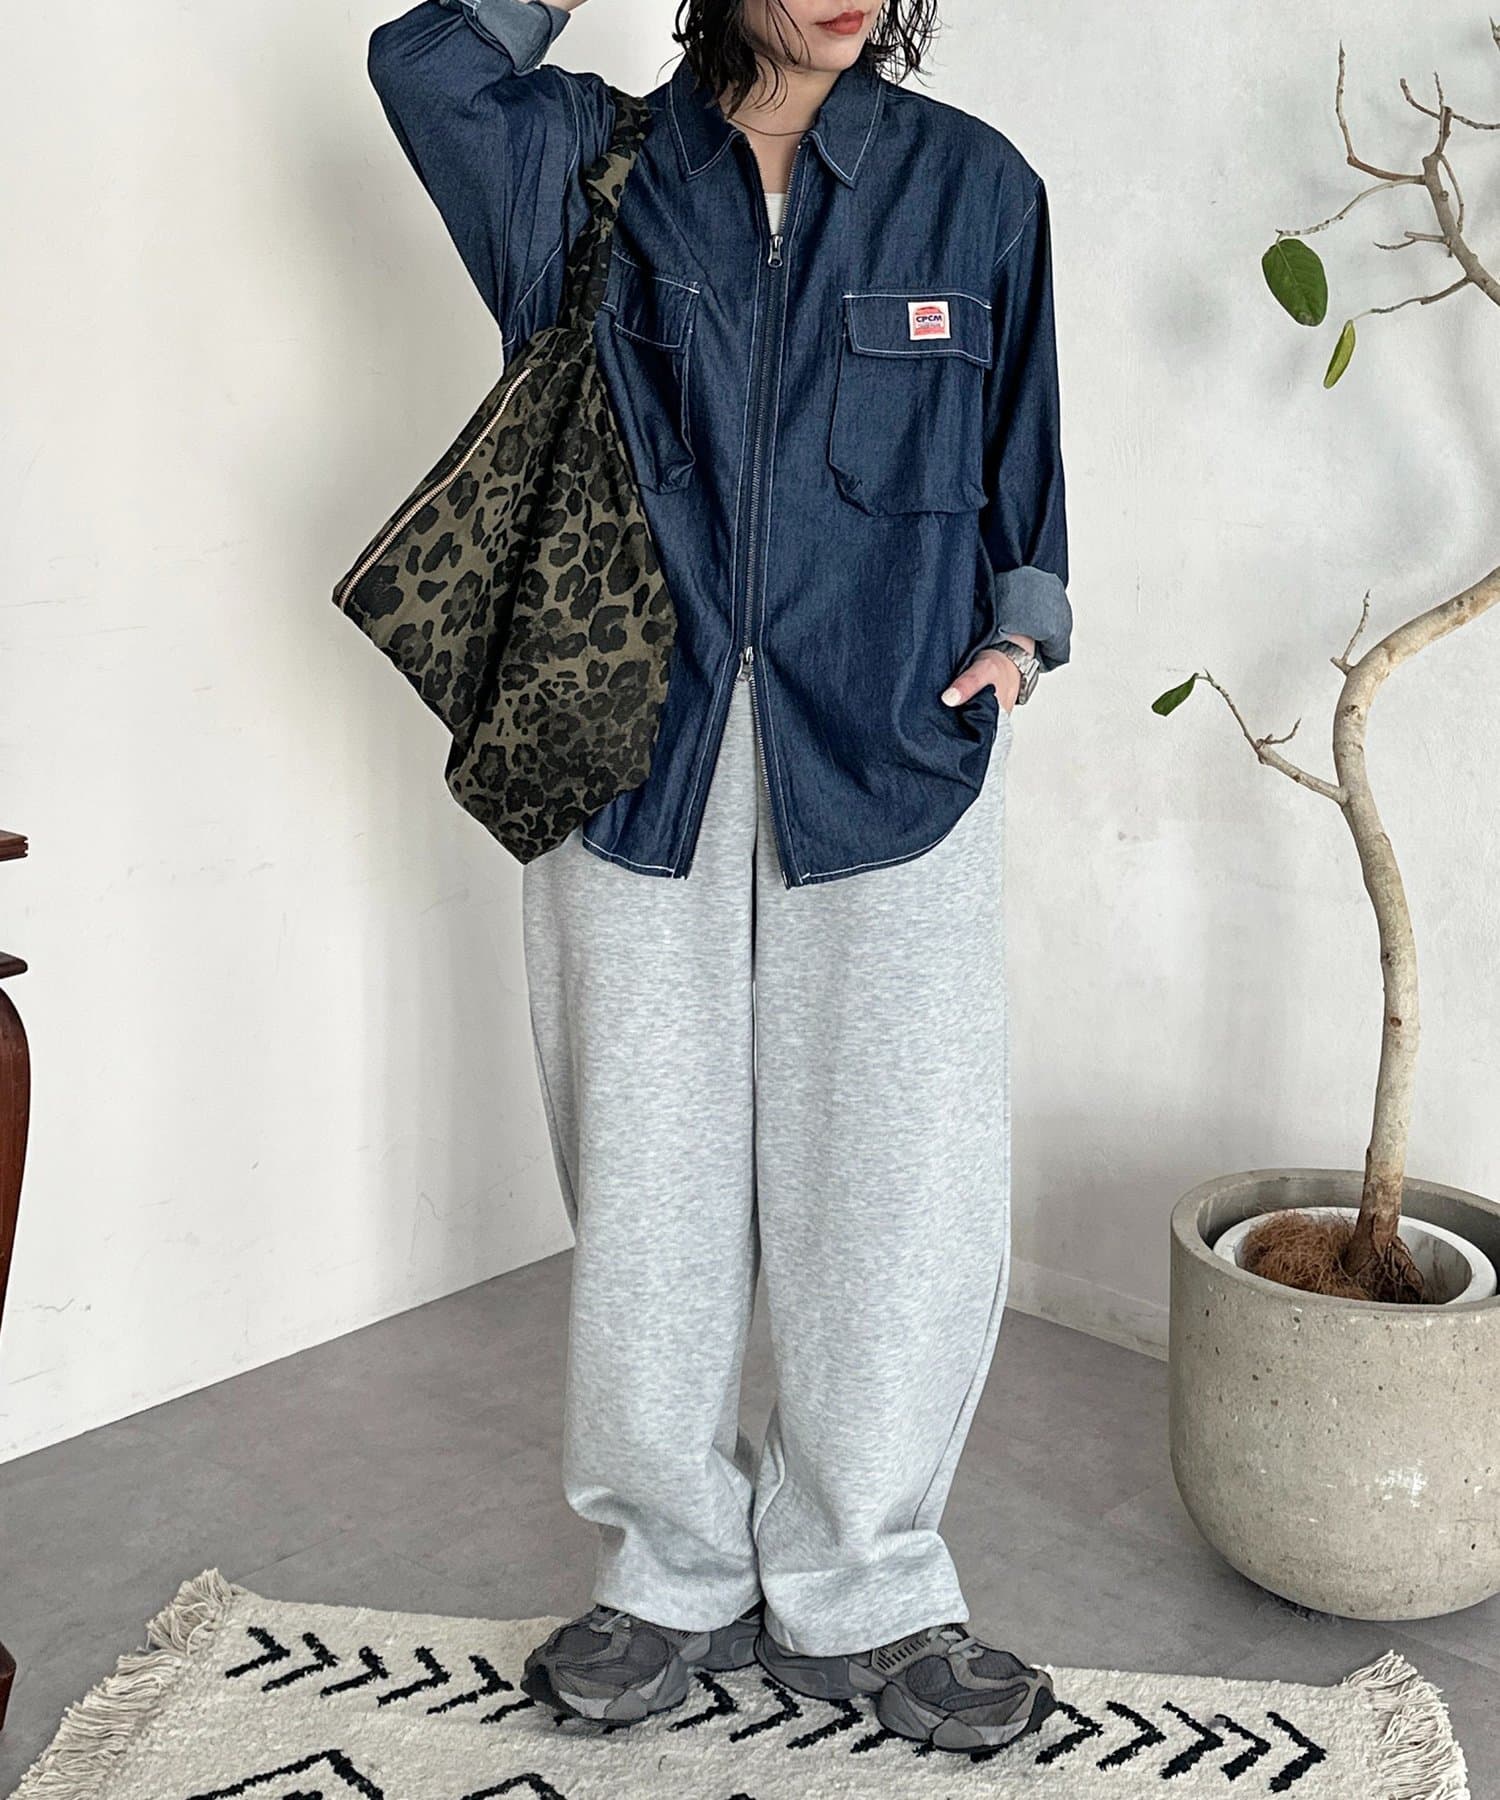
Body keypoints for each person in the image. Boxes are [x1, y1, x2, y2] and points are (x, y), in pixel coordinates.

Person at [366, 0, 1071, 1755]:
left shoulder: (975, 186)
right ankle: (669, 1569)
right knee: (652, 1187)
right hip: (628, 751)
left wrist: (1022, 635)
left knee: (897, 1187)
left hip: (891, 752)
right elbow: (423, 65)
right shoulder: (579, 165)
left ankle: (868, 1584)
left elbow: (1024, 469)